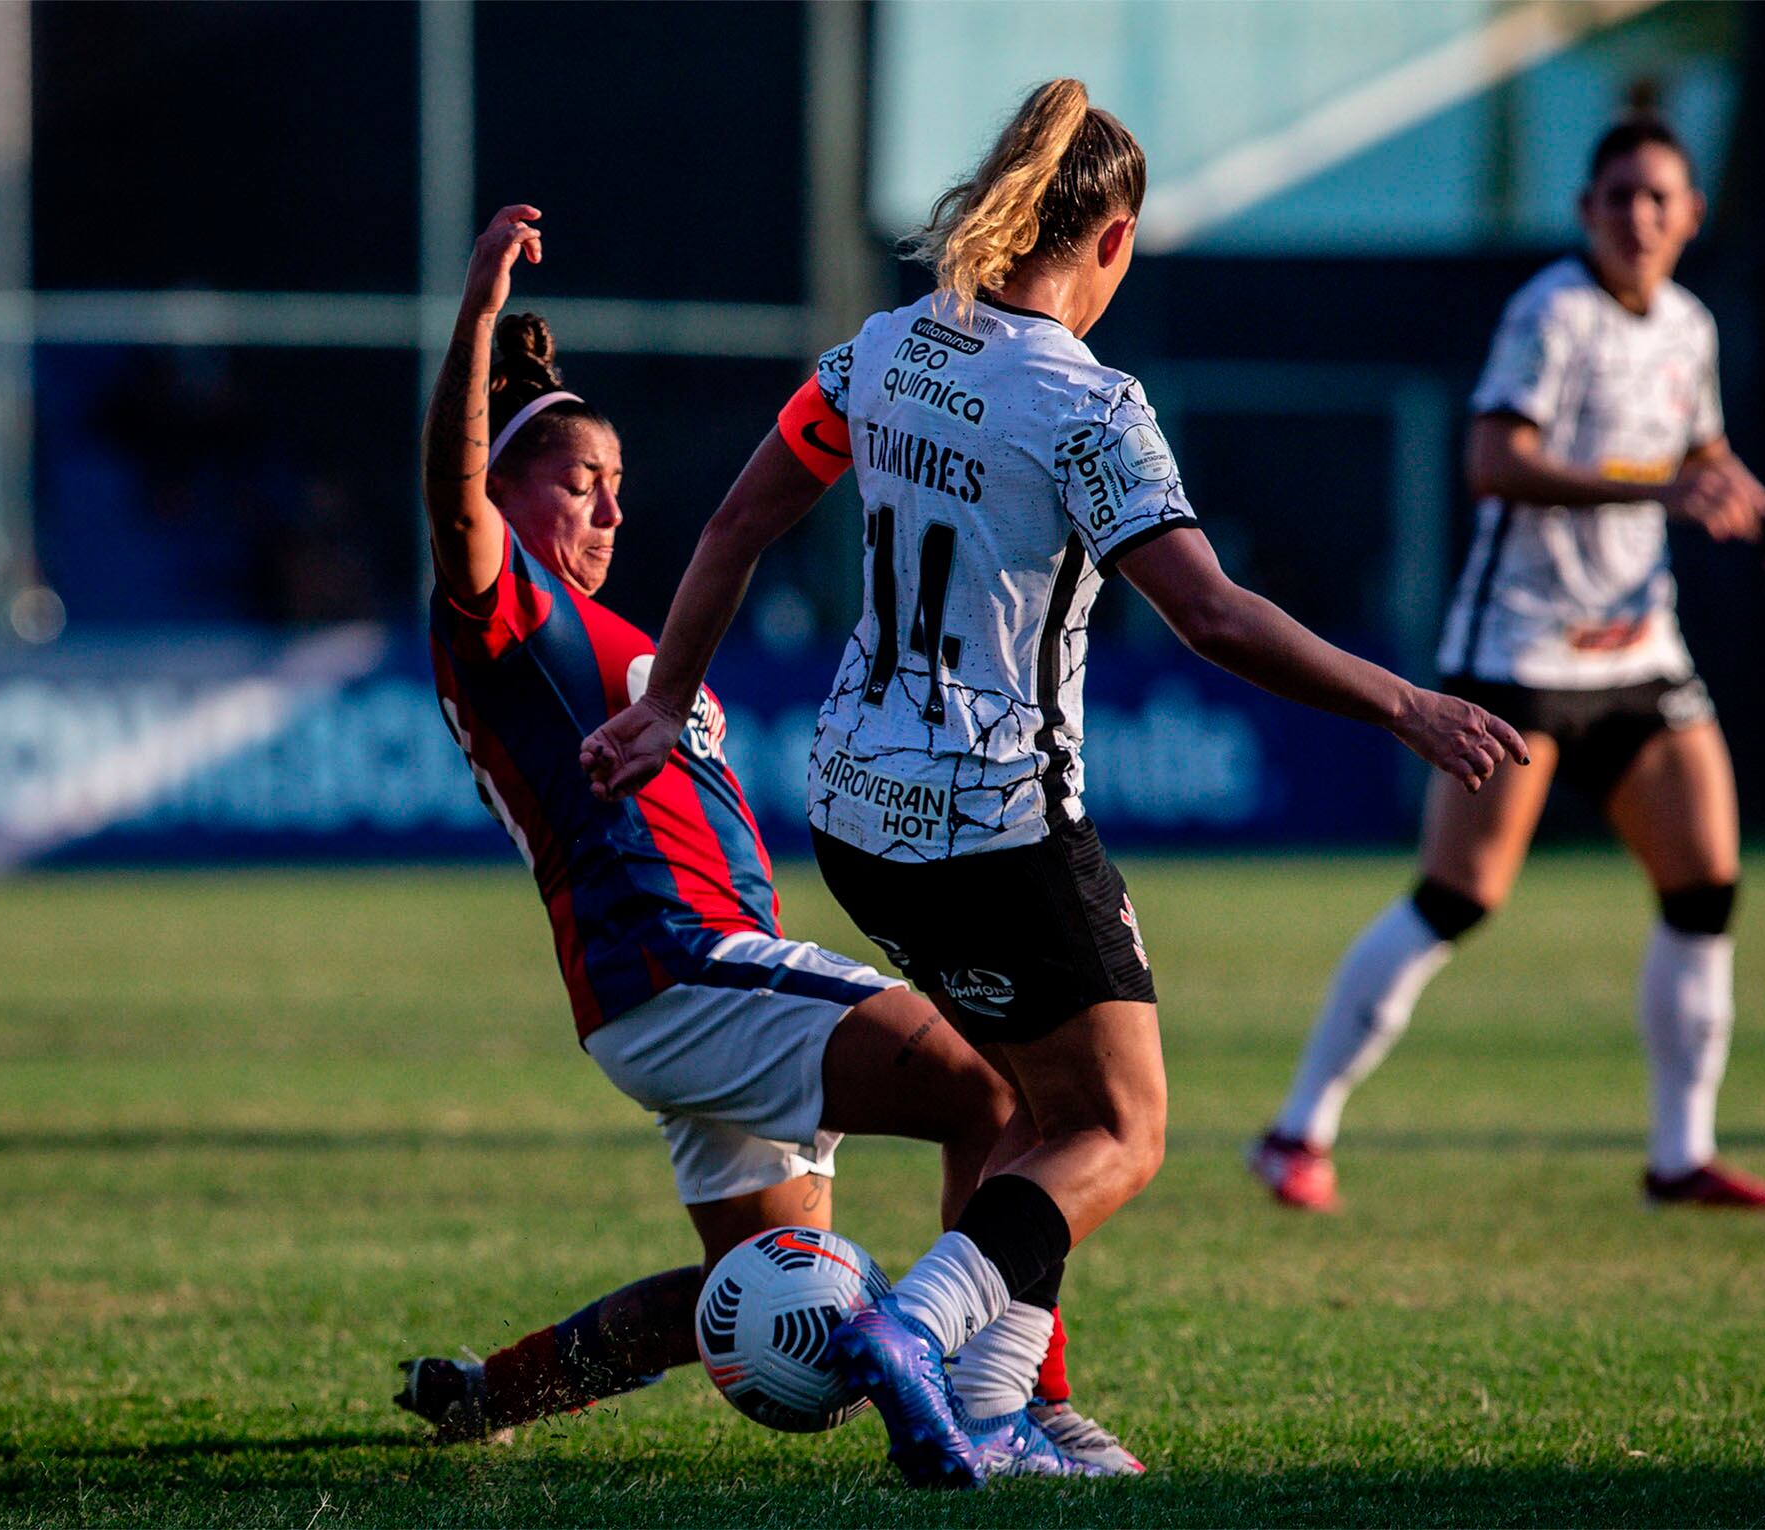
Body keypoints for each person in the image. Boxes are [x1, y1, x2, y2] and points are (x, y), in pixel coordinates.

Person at [578, 80, 1526, 1489]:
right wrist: (1402, 700)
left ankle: (999, 1404)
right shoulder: (1088, 407)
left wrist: (664, 702)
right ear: (1114, 237)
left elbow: (736, 522)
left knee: (1034, 1109)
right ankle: (917, 1324)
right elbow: (1206, 613)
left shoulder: (879, 354)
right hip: (995, 822)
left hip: (857, 814)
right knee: (1119, 1129)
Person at [392, 204, 1139, 1479]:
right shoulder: (502, 610)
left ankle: (484, 1394)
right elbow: (448, 489)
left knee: (765, 1289)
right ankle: (1012, 1403)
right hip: (681, 963)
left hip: (673, 991)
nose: (611, 508)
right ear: (509, 491)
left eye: (620, 486)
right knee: (1005, 1090)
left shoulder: (605, 633)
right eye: (582, 482)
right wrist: (473, 313)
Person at [1248, 118, 1765, 1217]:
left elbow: (1701, 458)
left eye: (1659, 198)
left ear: (1691, 215)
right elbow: (1492, 461)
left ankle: (1678, 1157)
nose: (1638, 216)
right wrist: (1653, 492)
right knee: (1455, 900)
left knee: (1704, 887)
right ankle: (1294, 1133)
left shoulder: (1688, 325)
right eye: (1617, 196)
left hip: (1639, 651)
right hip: (1518, 651)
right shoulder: (1550, 311)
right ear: (1584, 212)